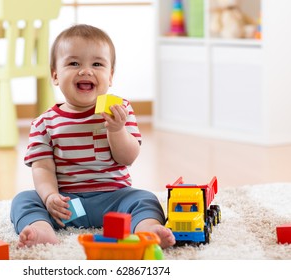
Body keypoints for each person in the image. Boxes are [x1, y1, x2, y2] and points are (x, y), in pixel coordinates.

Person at [10, 24, 175, 249]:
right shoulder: (44, 122)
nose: (85, 71)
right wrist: (50, 198)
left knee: (145, 199)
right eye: (74, 63)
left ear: (110, 76)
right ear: (55, 76)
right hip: (67, 205)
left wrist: (116, 129)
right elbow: (42, 168)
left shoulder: (119, 109)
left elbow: (128, 158)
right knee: (24, 200)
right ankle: (41, 230)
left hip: (115, 200)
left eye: (97, 64)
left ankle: (146, 229)